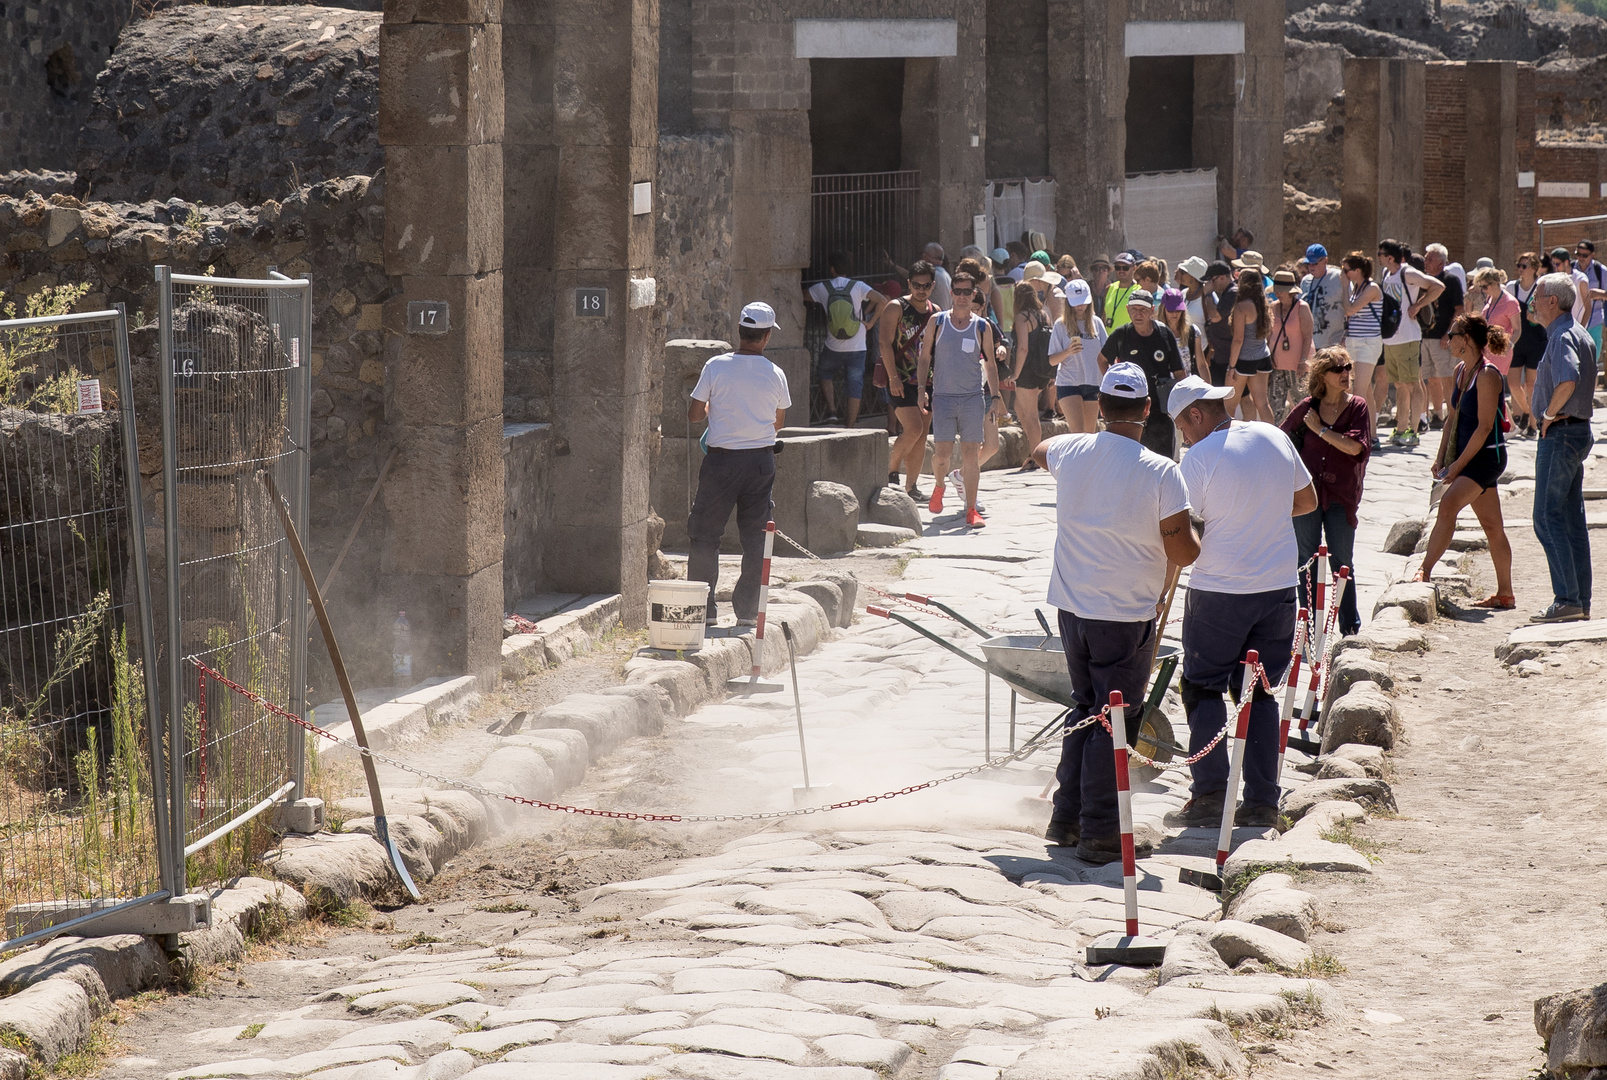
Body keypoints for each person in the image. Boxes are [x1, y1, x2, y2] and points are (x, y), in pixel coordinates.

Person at [1031, 362, 1200, 862]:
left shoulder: (1071, 450)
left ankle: (1066, 819)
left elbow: (1040, 449)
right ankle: (1101, 831)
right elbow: (1183, 554)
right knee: (1113, 720)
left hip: (1073, 608)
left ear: (1100, 408)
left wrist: (1082, 447)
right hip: (1124, 614)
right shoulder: (1162, 471)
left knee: (1085, 710)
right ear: (1147, 411)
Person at [1165, 376, 1318, 829]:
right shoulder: (1273, 435)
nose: (1183, 436)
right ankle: (1262, 802)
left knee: (1204, 686)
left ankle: (1211, 793)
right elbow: (1306, 501)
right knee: (1261, 692)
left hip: (1220, 590)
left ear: (1195, 415)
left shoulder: (1198, 458)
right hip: (1276, 587)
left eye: (1181, 427)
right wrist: (1259, 512)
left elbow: (1178, 529)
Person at [686, 302, 792, 628]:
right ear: (766, 337)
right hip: (760, 462)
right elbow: (778, 421)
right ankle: (747, 612)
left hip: (720, 462)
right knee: (757, 536)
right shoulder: (775, 373)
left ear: (741, 332)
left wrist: (715, 415)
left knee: (705, 535)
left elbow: (694, 414)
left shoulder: (715, 366)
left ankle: (702, 612)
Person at [1415, 315, 1514, 608]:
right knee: (1493, 527)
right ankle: (1505, 594)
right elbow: (1452, 419)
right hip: (1467, 458)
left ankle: (1425, 570)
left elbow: (1484, 427)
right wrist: (1440, 457)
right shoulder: (1461, 371)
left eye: (1452, 333)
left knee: (1447, 507)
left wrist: (1457, 468)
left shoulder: (1488, 375)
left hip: (1486, 459)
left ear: (1467, 339)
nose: (1448, 339)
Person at [1280, 347, 1372, 635]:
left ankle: (1349, 627)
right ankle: (1309, 627)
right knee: (1305, 561)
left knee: (1342, 562)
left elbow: (1355, 447)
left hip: (1341, 496)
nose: (1345, 373)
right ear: (1322, 375)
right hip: (1306, 497)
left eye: (1347, 367)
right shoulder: (1307, 407)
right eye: (1337, 369)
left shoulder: (1358, 407)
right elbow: (1280, 439)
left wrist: (1319, 431)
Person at [1528, 272, 1598, 623]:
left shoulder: (1561, 336)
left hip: (1561, 433)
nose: (1533, 303)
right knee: (1571, 521)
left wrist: (1547, 414)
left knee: (1544, 517)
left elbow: (1567, 379)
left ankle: (1568, 598)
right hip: (1577, 432)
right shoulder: (1580, 333)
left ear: (1552, 301)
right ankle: (1578, 600)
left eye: (1537, 297)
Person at [917, 269, 1007, 528]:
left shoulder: (982, 326)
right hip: (943, 397)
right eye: (958, 291)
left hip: (971, 398)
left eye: (968, 292)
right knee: (942, 455)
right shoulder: (937, 321)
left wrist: (995, 396)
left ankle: (971, 509)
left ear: (974, 294)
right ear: (951, 293)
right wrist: (921, 388)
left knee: (970, 454)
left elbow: (990, 364)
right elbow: (924, 358)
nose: (962, 296)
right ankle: (939, 485)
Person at [1100, 288, 1187, 458]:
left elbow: (1179, 372)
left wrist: (1182, 404)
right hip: (1131, 408)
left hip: (1160, 408)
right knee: (1132, 458)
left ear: (1152, 311)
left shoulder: (1164, 334)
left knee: (1163, 459)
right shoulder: (1121, 335)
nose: (1138, 314)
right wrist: (1111, 384)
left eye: (1143, 310)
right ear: (1127, 309)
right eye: (1134, 309)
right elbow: (1102, 359)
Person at [806, 250, 887, 427]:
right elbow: (882, 300)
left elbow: (803, 295)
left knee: (824, 372)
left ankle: (832, 411)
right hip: (857, 344)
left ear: (832, 269)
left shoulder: (823, 287)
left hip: (833, 345)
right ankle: (850, 426)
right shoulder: (858, 286)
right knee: (855, 384)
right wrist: (871, 322)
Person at [879, 261, 939, 500]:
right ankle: (890, 469)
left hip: (928, 381)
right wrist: (893, 377)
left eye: (926, 285)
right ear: (909, 283)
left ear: (933, 285)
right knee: (913, 428)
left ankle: (911, 486)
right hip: (901, 378)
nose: (921, 289)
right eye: (916, 284)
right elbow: (884, 343)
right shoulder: (896, 307)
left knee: (922, 434)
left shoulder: (935, 311)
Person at [1377, 238, 1443, 447]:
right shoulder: (1387, 274)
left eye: (1381, 253)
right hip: (1392, 337)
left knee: (1413, 384)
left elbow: (1437, 286)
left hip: (1408, 336)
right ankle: (1401, 428)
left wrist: (1418, 305)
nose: (1378, 257)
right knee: (1399, 385)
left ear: (1390, 257)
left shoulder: (1408, 273)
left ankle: (1413, 431)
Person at [1341, 250, 1385, 447]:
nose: (1344, 273)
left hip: (1368, 343)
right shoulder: (1356, 289)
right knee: (1365, 390)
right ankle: (1372, 435)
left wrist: (1343, 287)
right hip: (1354, 341)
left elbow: (1350, 309)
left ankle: (1357, 434)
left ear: (1357, 270)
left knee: (1357, 389)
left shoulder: (1372, 288)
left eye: (1346, 270)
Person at [1050, 277, 1106, 434]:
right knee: (1078, 433)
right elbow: (1052, 360)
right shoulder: (1060, 325)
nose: (1080, 306)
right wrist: (1067, 351)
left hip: (1093, 382)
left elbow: (1106, 354)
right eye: (1076, 302)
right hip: (1069, 383)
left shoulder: (1096, 323)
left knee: (1089, 434)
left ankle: (1085, 459)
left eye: (1083, 301)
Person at [1007, 281, 1053, 471]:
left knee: (1031, 415)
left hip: (1027, 371)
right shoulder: (1044, 315)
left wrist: (1015, 373)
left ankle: (1036, 456)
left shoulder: (1021, 317)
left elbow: (1023, 348)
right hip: (1042, 370)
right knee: (1020, 407)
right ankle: (1032, 450)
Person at [1420, 243, 1465, 434]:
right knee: (1430, 378)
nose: (1425, 261)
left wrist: (1449, 333)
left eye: (1429, 258)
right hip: (1425, 336)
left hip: (1442, 337)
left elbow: (1459, 309)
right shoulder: (1423, 281)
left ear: (1440, 262)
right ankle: (1437, 414)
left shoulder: (1451, 280)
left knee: (1447, 377)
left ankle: (1452, 414)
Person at [1227, 268, 1275, 423]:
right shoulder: (1263, 305)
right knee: (1262, 404)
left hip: (1244, 360)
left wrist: (1231, 367)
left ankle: (1226, 442)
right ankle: (1273, 439)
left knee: (1229, 405)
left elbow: (1238, 339)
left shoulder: (1242, 306)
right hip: (1263, 356)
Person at [1268, 269, 1314, 423]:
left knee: (1302, 403)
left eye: (1282, 291)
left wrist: (1303, 361)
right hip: (1277, 365)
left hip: (1297, 366)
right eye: (1277, 291)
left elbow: (1308, 336)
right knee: (1275, 406)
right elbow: (1269, 335)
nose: (1278, 294)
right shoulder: (1274, 307)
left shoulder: (1302, 307)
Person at [1507, 252, 1546, 435]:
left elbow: (1548, 315)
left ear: (1534, 268)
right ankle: (1526, 411)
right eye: (1519, 265)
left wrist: (1536, 318)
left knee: (1532, 384)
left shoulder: (1542, 288)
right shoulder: (1511, 287)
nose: (1521, 269)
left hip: (1537, 340)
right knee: (1513, 383)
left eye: (1525, 266)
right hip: (1517, 339)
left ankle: (1532, 424)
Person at [1301, 244, 1348, 351]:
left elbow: (1350, 308)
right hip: (1311, 344)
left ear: (1325, 261)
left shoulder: (1339, 278)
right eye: (1309, 263)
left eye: (1315, 263)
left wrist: (1346, 336)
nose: (1311, 267)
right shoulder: (1305, 281)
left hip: (1334, 343)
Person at [1200, 260, 1237, 386]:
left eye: (1212, 280)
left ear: (1221, 277)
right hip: (1222, 355)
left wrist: (1209, 294)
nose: (1210, 284)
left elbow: (1215, 316)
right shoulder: (1227, 293)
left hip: (1229, 357)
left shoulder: (1232, 293)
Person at [1160, 287, 1205, 381]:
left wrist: (1208, 388)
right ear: (1163, 309)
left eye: (1178, 310)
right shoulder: (1156, 331)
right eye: (1170, 310)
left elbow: (1201, 365)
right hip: (1164, 387)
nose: (1174, 314)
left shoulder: (1192, 331)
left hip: (1187, 385)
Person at [1570, 240, 1607, 352]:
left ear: (1592, 255)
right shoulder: (1571, 269)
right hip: (1573, 323)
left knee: (1591, 362)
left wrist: (1601, 294)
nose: (1581, 258)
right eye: (1578, 254)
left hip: (1593, 324)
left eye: (1584, 255)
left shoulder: (1601, 271)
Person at [1103, 252, 1139, 329]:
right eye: (1118, 267)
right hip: (1110, 339)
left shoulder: (1139, 290)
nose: (1121, 270)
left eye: (1125, 268)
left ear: (1134, 268)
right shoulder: (1109, 288)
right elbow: (1104, 316)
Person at [1177, 255, 1210, 336]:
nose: (1180, 275)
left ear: (1193, 276)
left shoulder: (1208, 296)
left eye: (1184, 272)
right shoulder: (1182, 294)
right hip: (1185, 346)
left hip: (1204, 347)